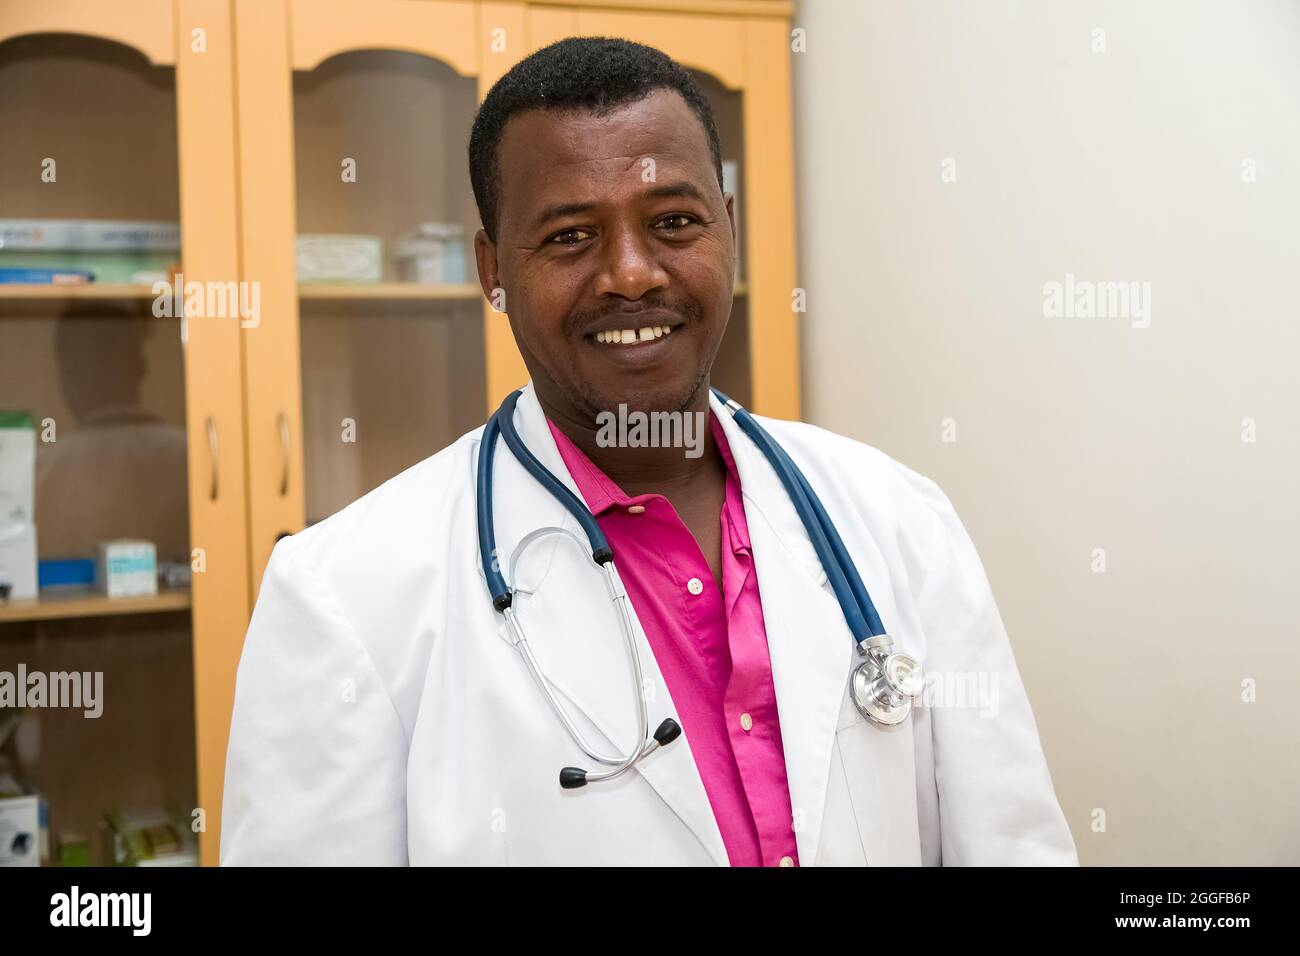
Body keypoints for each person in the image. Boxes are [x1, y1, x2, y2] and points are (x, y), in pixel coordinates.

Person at [220, 37, 1077, 866]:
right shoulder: (346, 596)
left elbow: (1013, 844)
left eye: (672, 221)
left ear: (728, 232)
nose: (631, 274)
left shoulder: (898, 520)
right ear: (492, 270)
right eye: (569, 236)